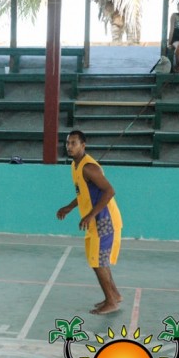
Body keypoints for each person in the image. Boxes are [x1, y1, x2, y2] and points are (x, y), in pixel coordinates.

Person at [56, 130, 123, 315]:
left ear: (83, 145)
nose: (69, 146)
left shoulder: (89, 167)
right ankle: (114, 295)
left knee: (98, 262)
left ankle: (111, 302)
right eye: (68, 143)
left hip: (104, 220)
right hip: (94, 221)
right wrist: (69, 207)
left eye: (74, 143)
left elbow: (109, 191)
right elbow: (83, 193)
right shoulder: (75, 165)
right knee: (99, 261)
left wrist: (91, 215)